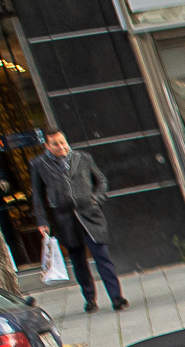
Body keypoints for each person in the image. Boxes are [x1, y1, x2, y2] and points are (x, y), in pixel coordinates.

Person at [32, 129, 123, 313]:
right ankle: (90, 299)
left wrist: (95, 199)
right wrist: (42, 221)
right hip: (64, 219)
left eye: (63, 142)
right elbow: (37, 195)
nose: (61, 147)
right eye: (56, 144)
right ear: (47, 146)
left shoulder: (83, 158)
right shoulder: (38, 164)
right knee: (78, 261)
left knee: (102, 257)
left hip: (90, 215)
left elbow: (102, 182)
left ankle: (117, 298)